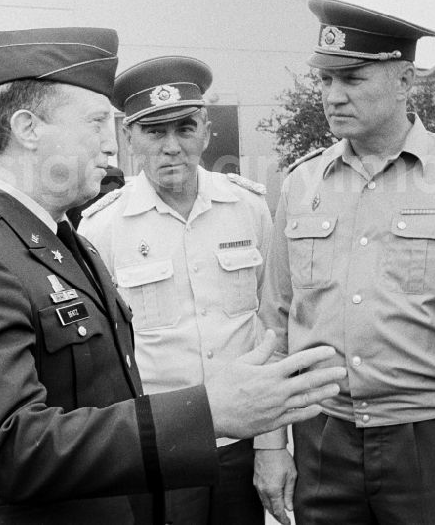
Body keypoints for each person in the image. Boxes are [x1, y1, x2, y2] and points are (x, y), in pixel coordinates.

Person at [0, 27, 346, 525]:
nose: (110, 147)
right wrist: (206, 413)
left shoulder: (65, 244)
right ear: (28, 128)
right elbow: (13, 452)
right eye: (96, 123)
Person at [259, 0, 435, 525]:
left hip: (433, 440)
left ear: (406, 81)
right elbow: (275, 323)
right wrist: (270, 446)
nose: (333, 97)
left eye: (353, 79)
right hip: (323, 438)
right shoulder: (301, 184)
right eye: (324, 81)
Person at [78, 55, 290, 525]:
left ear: (207, 131)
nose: (172, 146)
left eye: (185, 128)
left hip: (242, 443)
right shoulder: (103, 228)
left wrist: (273, 444)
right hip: (161, 450)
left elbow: (272, 328)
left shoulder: (249, 207)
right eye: (155, 131)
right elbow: (102, 361)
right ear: (129, 139)